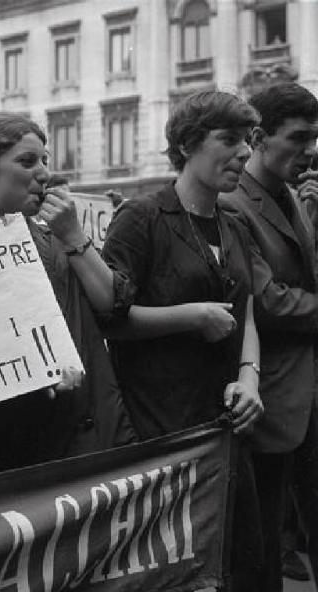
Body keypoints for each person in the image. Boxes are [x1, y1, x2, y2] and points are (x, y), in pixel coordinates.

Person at [100, 91, 264, 589]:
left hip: (228, 430)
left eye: (249, 142)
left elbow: (248, 312)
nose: (243, 153)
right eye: (229, 139)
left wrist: (250, 377)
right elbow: (110, 319)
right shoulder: (142, 217)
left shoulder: (235, 224)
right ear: (189, 143)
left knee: (240, 565)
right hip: (163, 432)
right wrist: (189, 316)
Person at [0, 112, 137, 477]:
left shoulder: (58, 236)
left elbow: (113, 304)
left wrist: (75, 237)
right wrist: (27, 372)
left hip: (94, 435)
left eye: (44, 160)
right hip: (16, 448)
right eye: (27, 162)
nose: (43, 173)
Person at [219, 82, 318, 591]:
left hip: (305, 393)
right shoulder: (234, 203)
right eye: (299, 138)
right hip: (274, 399)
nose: (310, 151)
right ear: (260, 137)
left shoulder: (292, 197)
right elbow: (270, 301)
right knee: (262, 554)